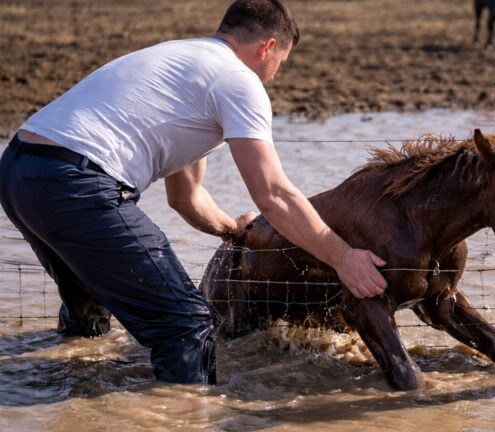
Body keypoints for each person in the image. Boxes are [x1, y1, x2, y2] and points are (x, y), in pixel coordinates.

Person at [0, 0, 387, 384]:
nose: (272, 77)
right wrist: (343, 257)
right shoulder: (238, 79)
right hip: (76, 182)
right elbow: (273, 194)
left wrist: (233, 232)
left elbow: (186, 197)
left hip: (20, 170)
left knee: (87, 304)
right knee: (186, 323)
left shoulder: (183, 63)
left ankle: (64, 384)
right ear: (268, 46)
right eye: (279, 64)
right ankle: (185, 416)